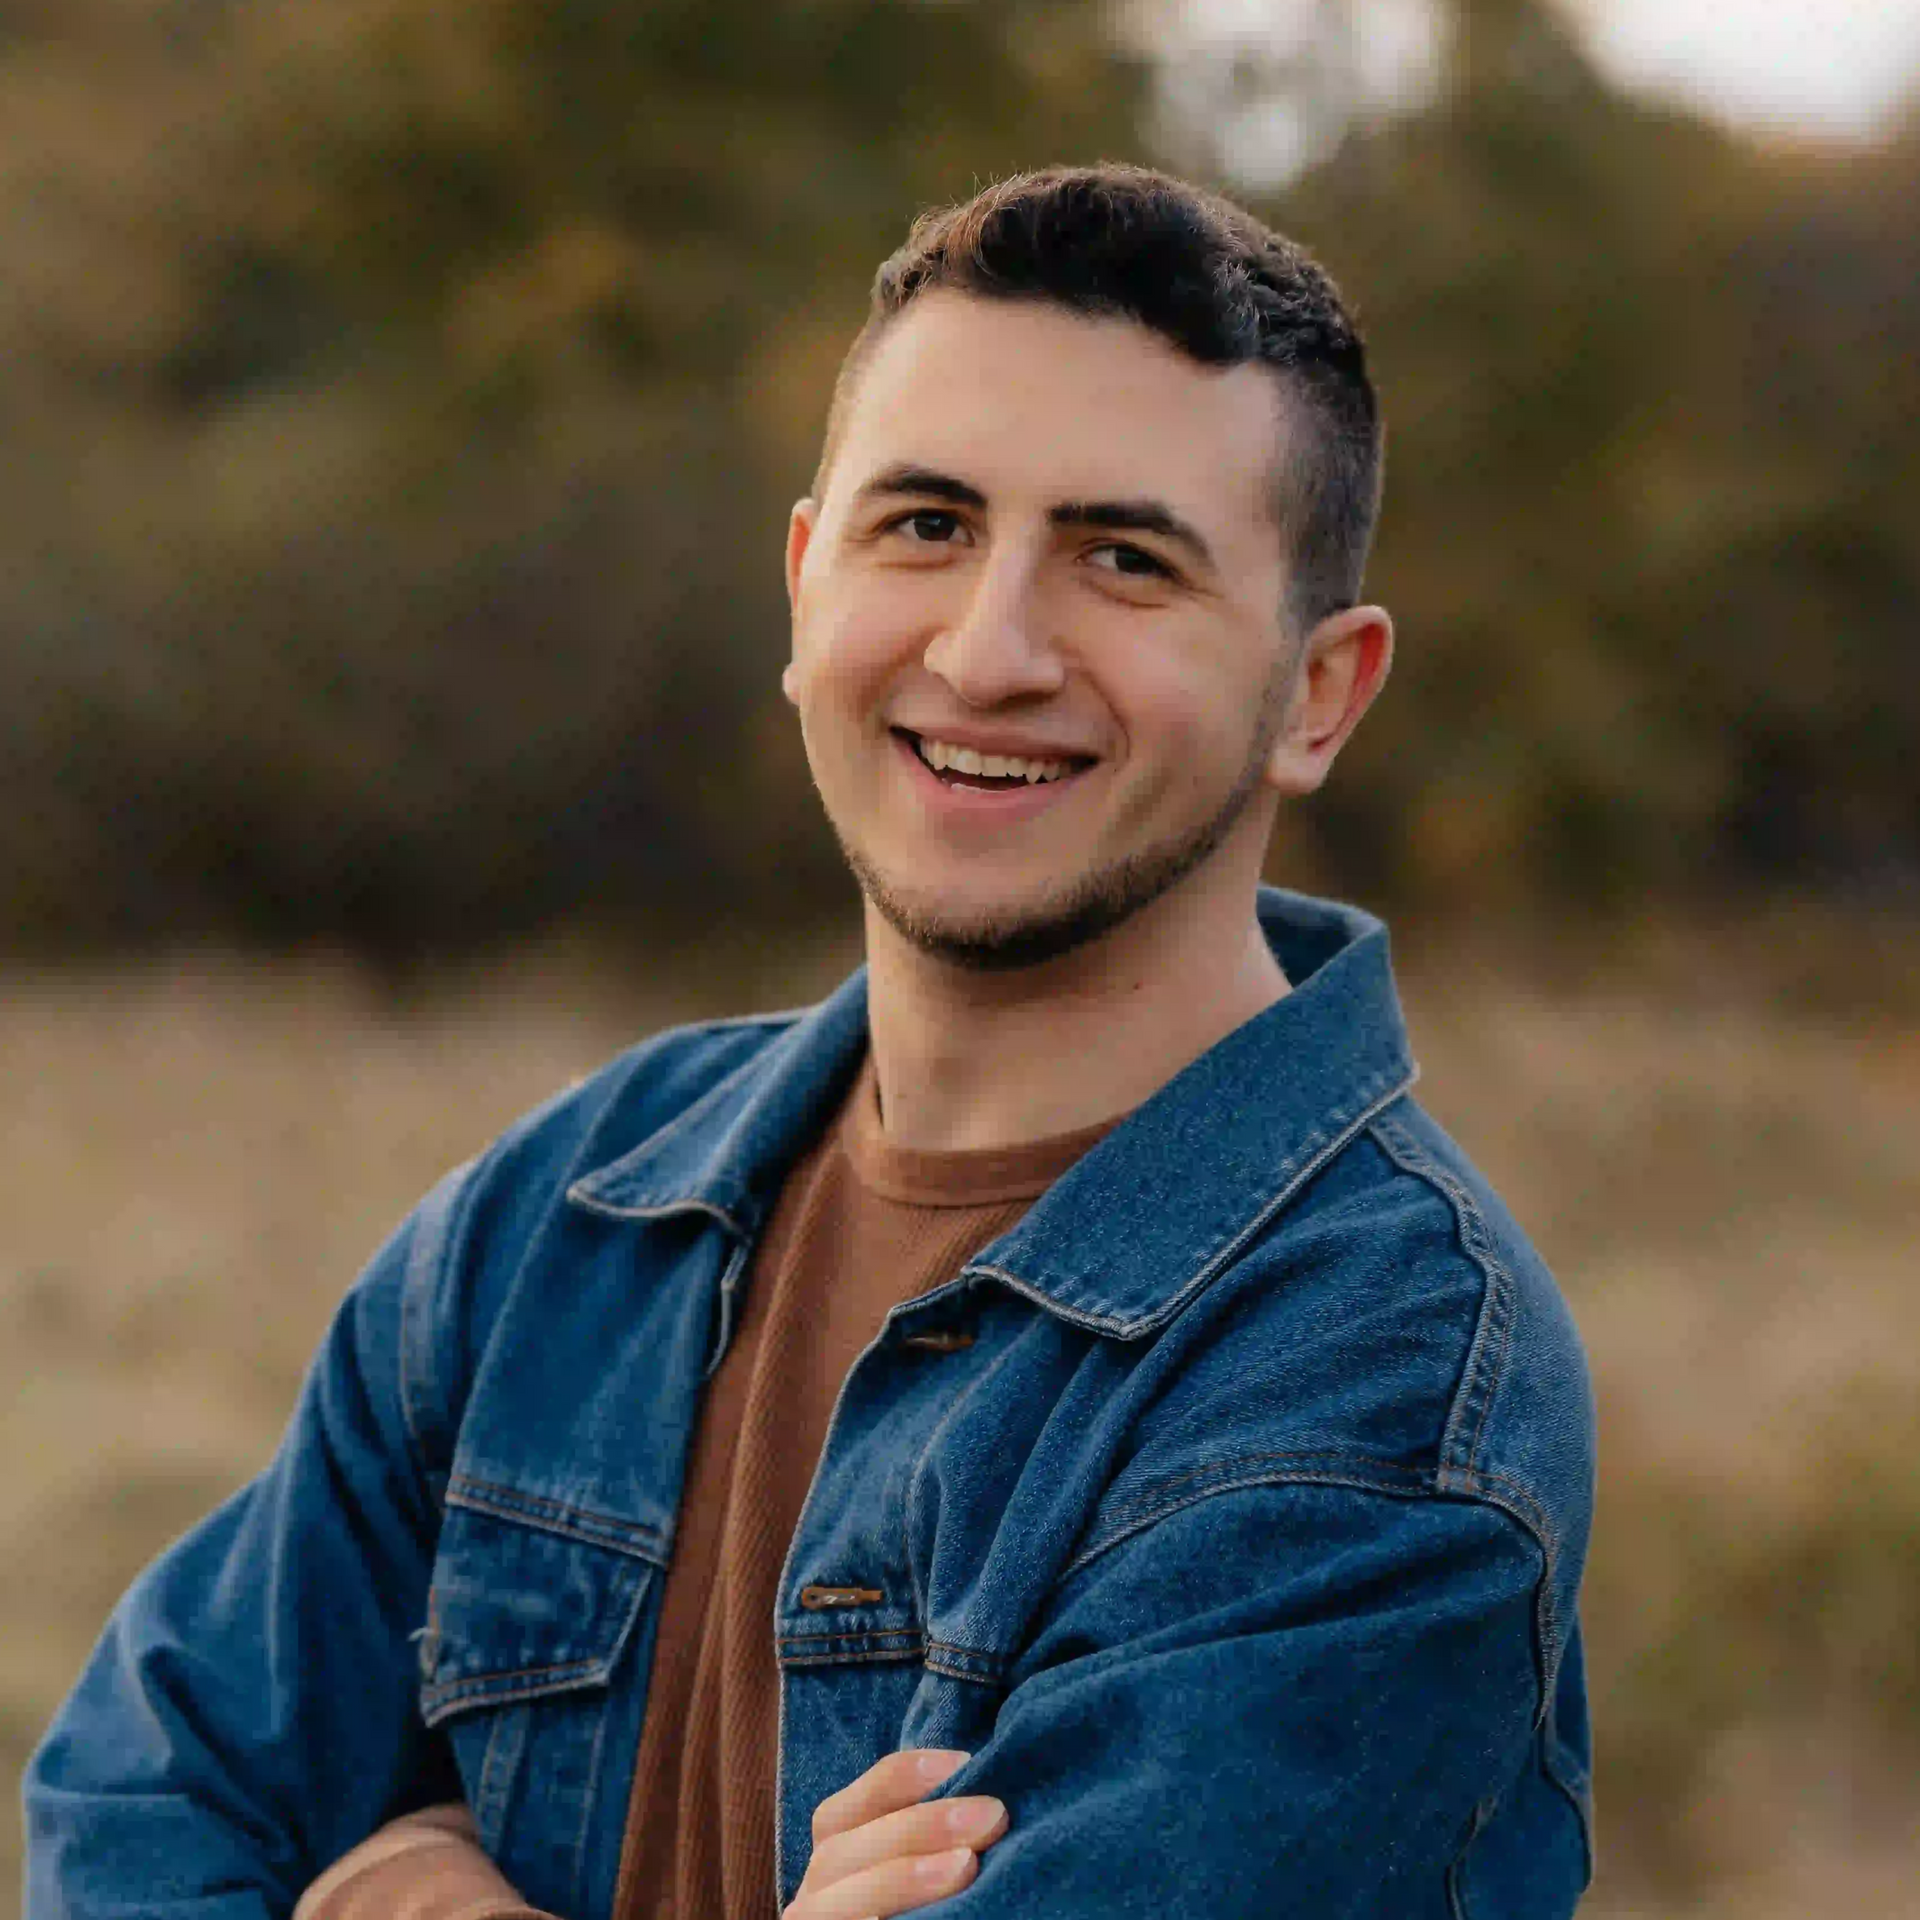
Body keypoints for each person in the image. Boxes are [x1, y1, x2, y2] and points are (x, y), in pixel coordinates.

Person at [24, 163, 1596, 1920]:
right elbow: (135, 1801)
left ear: (1319, 694)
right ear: (802, 584)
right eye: (923, 525)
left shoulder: (1375, 1391)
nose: (987, 649)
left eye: (1123, 560)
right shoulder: (572, 1212)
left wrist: (407, 1885)